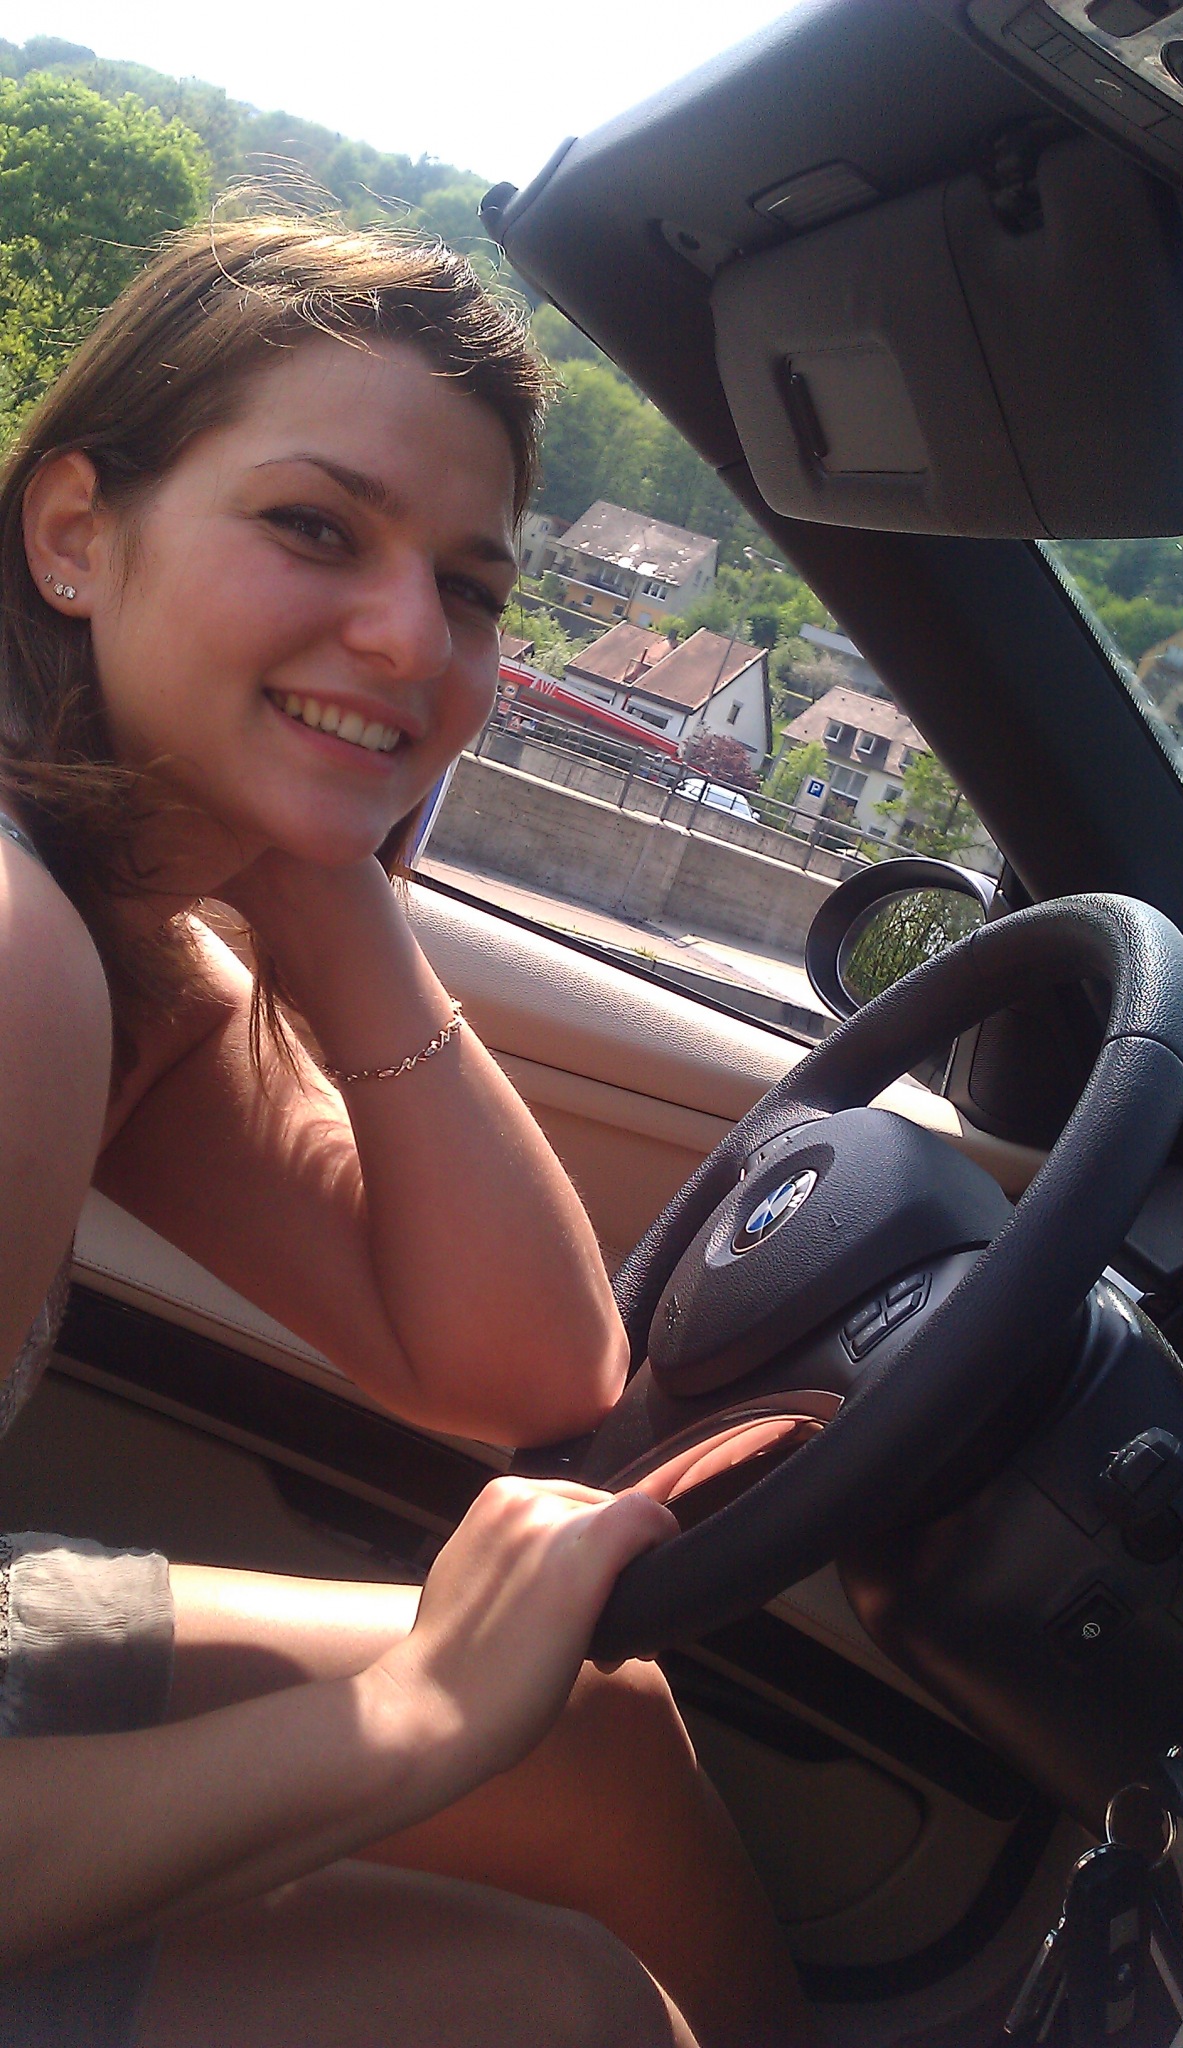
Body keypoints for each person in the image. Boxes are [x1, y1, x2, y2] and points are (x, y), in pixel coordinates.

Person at [0, 218, 819, 2047]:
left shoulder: (122, 943)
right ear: (75, 536)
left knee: (599, 1726)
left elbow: (524, 1366)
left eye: (466, 589)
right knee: (563, 2009)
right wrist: (420, 1718)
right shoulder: (16, 955)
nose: (408, 634)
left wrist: (329, 868)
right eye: (314, 528)